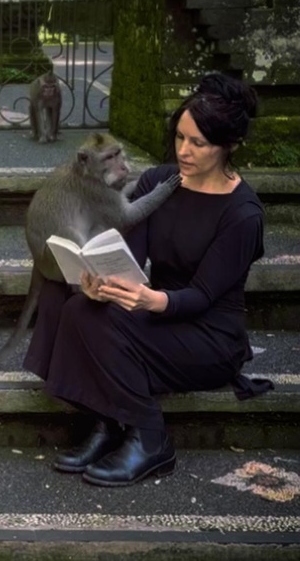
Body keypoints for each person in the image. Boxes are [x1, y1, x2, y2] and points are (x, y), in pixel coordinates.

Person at [22, 72, 273, 487]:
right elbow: (127, 252)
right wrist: (100, 280)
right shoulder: (162, 181)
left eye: (198, 143)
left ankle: (150, 437)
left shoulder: (242, 214)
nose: (184, 151)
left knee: (102, 322)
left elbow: (205, 295)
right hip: (156, 306)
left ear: (229, 145)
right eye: (179, 138)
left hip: (207, 333)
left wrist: (151, 301)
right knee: (77, 305)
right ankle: (107, 421)